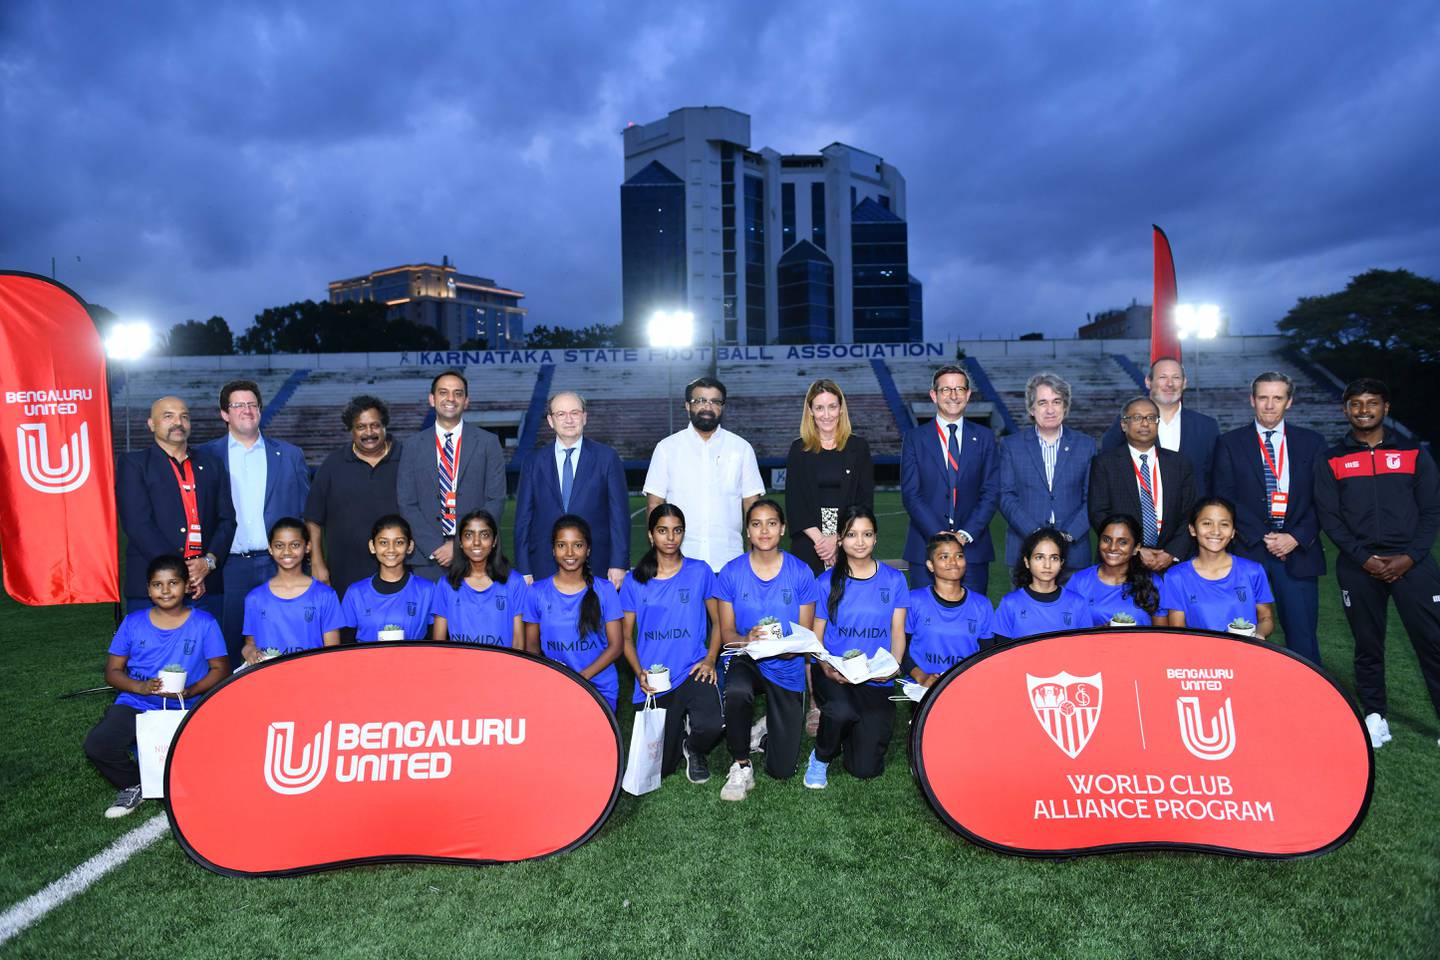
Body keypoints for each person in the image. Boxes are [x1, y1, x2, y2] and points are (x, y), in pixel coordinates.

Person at [1314, 378, 1440, 749]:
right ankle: (1375, 717)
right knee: (1368, 644)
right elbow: (1329, 516)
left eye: (1372, 403)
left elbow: (1432, 511)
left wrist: (1410, 556)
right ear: (1345, 410)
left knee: (1433, 642)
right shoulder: (1332, 458)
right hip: (1359, 565)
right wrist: (1362, 557)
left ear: (1386, 408)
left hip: (1412, 563)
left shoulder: (1415, 453)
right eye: (1356, 403)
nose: (1364, 410)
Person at [83, 555, 229, 819]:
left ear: (187, 586)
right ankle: (134, 783)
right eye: (157, 584)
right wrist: (140, 688)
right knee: (98, 744)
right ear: (148, 589)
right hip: (138, 703)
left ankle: (173, 777)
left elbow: (221, 669)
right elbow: (112, 672)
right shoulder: (133, 622)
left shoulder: (204, 623)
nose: (165, 590)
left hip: (187, 705)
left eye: (173, 583)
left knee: (211, 767)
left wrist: (190, 691)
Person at [1212, 372, 1326, 663]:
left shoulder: (1312, 442)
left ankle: (1307, 701)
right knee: (1242, 635)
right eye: (1263, 397)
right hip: (1249, 551)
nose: (1270, 405)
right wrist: (1264, 536)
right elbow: (1225, 497)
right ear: (1252, 400)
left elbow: (1324, 500)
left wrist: (1295, 537)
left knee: (1303, 640)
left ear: (1289, 402)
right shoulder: (1230, 443)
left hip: (1297, 553)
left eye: (1277, 398)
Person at [200, 379, 311, 667]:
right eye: (238, 405)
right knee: (229, 644)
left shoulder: (289, 454)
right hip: (228, 567)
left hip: (279, 565)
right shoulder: (205, 456)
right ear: (225, 413)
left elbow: (305, 512)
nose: (246, 410)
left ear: (260, 410)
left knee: (284, 641)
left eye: (252, 404)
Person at [714, 499, 819, 800]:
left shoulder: (800, 572)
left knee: (782, 769)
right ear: (747, 531)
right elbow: (726, 636)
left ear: (782, 529)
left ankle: (763, 729)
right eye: (756, 524)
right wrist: (747, 641)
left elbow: (806, 633)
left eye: (771, 523)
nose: (764, 530)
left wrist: (790, 650)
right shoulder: (731, 572)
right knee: (737, 690)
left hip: (786, 663)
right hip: (747, 658)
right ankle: (741, 763)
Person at [620, 505, 724, 784]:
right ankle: (677, 733)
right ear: (651, 535)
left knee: (713, 725)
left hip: (693, 669)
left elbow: (718, 623)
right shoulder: (634, 581)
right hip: (657, 678)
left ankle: (694, 747)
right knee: (660, 768)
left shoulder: (700, 572)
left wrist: (710, 659)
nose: (670, 537)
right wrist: (639, 672)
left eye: (677, 530)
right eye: (663, 530)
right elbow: (625, 638)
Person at [805, 505, 907, 788]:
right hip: (835, 673)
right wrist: (826, 668)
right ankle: (821, 757)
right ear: (840, 539)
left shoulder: (895, 580)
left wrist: (894, 667)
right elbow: (817, 637)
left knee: (865, 769)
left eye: (867, 534)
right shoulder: (826, 582)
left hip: (876, 677)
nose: (859, 542)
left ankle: (848, 735)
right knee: (841, 711)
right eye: (851, 534)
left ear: (875, 538)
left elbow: (898, 632)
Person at [116, 395, 235, 618]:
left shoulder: (211, 463)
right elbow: (138, 525)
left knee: (207, 652)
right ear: (151, 424)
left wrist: (208, 563)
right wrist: (182, 573)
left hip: (206, 585)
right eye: (168, 416)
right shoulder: (134, 464)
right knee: (153, 652)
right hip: (154, 585)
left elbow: (227, 520)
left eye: (184, 417)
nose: (178, 423)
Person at [644, 376, 765, 572]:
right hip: (680, 562)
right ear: (687, 405)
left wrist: (755, 558)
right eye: (700, 400)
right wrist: (658, 556)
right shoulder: (667, 448)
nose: (707, 407)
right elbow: (654, 504)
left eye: (714, 401)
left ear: (722, 407)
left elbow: (752, 506)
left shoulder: (741, 448)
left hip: (729, 561)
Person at [397, 369, 507, 582]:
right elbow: (406, 503)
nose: (450, 398)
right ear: (432, 399)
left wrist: (460, 544)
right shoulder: (411, 446)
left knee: (473, 615)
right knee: (431, 615)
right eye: (443, 392)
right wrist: (435, 546)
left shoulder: (488, 443)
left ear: (466, 401)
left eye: (458, 393)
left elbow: (495, 499)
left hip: (476, 554)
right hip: (428, 558)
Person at [513, 391, 630, 590]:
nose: (568, 420)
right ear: (550, 420)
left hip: (596, 564)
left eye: (574, 413)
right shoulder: (533, 461)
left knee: (594, 620)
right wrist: (524, 568)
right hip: (544, 564)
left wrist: (619, 563)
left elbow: (619, 515)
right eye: (561, 414)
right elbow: (523, 518)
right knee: (545, 621)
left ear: (584, 417)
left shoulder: (607, 458)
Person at [900, 365, 999, 595]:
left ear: (968, 394)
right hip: (925, 548)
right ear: (934, 395)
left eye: (959, 389)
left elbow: (991, 491)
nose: (953, 396)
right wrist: (941, 537)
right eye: (946, 389)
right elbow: (911, 494)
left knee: (972, 622)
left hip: (972, 549)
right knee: (924, 623)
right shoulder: (914, 438)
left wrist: (964, 535)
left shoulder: (984, 438)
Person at [305, 395, 403, 603]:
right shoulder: (333, 465)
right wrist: (317, 563)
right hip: (346, 575)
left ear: (384, 426)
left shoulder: (407, 459)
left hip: (400, 571)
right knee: (351, 633)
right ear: (351, 430)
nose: (369, 433)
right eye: (361, 427)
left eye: (375, 425)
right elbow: (313, 519)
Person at [523, 515, 625, 710]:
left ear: (588, 550)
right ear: (553, 550)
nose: (569, 552)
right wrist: (549, 680)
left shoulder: (605, 590)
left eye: (577, 545)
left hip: (599, 687)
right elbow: (532, 648)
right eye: (562, 545)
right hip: (556, 686)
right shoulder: (536, 592)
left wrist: (581, 678)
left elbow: (617, 646)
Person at [999, 372, 1096, 576]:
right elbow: (1006, 496)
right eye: (1043, 402)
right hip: (1025, 551)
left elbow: (1093, 499)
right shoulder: (1011, 446)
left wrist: (1067, 536)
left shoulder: (1086, 445)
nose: (1050, 409)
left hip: (1074, 553)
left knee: (1073, 608)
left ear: (1065, 406)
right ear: (1032, 409)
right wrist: (1036, 535)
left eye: (1056, 401)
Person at [1088, 397, 1197, 573]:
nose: (1145, 423)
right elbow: (1099, 513)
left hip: (1171, 563)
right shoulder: (1105, 464)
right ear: (1124, 424)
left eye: (1151, 418)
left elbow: (1189, 513)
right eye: (1137, 418)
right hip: (1121, 563)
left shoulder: (1179, 464)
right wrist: (1135, 550)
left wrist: (1171, 552)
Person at [784, 379, 875, 575]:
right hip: (809, 542)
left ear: (841, 408)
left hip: (851, 538)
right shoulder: (798, 449)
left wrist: (838, 537)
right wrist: (821, 541)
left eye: (832, 407)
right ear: (810, 411)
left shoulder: (858, 448)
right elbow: (794, 503)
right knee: (810, 603)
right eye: (819, 408)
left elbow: (865, 501)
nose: (826, 415)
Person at [1101, 356, 1219, 494]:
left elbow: (1215, 479)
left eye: (1176, 377)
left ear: (1184, 383)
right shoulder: (1128, 423)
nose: (1170, 384)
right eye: (1162, 377)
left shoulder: (1207, 426)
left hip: (1193, 513)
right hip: (1142, 513)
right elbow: (1108, 472)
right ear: (1148, 382)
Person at [1161, 498, 1276, 638]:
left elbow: (1266, 618)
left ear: (1233, 532)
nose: (1216, 531)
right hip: (1198, 657)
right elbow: (1178, 631)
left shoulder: (1253, 571)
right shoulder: (1176, 576)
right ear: (1192, 529)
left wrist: (1258, 635)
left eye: (1224, 524)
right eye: (1207, 523)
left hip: (1244, 654)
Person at [240, 518, 344, 662]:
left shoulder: (325, 595)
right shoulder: (254, 598)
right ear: (270, 548)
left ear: (307, 546)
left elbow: (333, 652)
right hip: (269, 679)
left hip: (313, 677)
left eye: (295, 545)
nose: (287, 551)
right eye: (279, 545)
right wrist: (249, 651)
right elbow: (250, 644)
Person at [904, 533, 996, 687]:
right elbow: (900, 648)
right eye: (944, 557)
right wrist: (921, 677)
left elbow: (987, 654)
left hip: (966, 687)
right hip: (922, 690)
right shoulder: (914, 601)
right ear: (930, 565)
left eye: (959, 556)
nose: (953, 562)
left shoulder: (981, 605)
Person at [433, 509, 529, 648]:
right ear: (460, 541)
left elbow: (518, 643)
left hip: (502, 668)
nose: (476, 542)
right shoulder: (446, 584)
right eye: (468, 535)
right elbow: (439, 645)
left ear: (494, 540)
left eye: (484, 535)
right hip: (460, 668)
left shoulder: (514, 582)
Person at [339, 515, 436, 642]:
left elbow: (436, 642)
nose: (391, 549)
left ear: (410, 546)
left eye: (399, 542)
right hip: (366, 662)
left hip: (413, 661)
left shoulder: (427, 590)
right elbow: (345, 644)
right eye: (383, 542)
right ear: (372, 546)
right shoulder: (355, 593)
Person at [993, 527, 1091, 641]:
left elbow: (1085, 649)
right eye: (1039, 557)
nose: (1047, 565)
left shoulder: (1078, 603)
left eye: (1054, 558)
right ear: (1027, 562)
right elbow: (1000, 654)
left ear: (1061, 563)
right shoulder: (1009, 603)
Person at [1068, 514, 1167, 626]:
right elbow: (1068, 630)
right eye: (1106, 540)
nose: (1113, 547)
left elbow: (1161, 635)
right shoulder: (1079, 581)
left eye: (1122, 542)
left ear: (1136, 548)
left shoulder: (1152, 582)